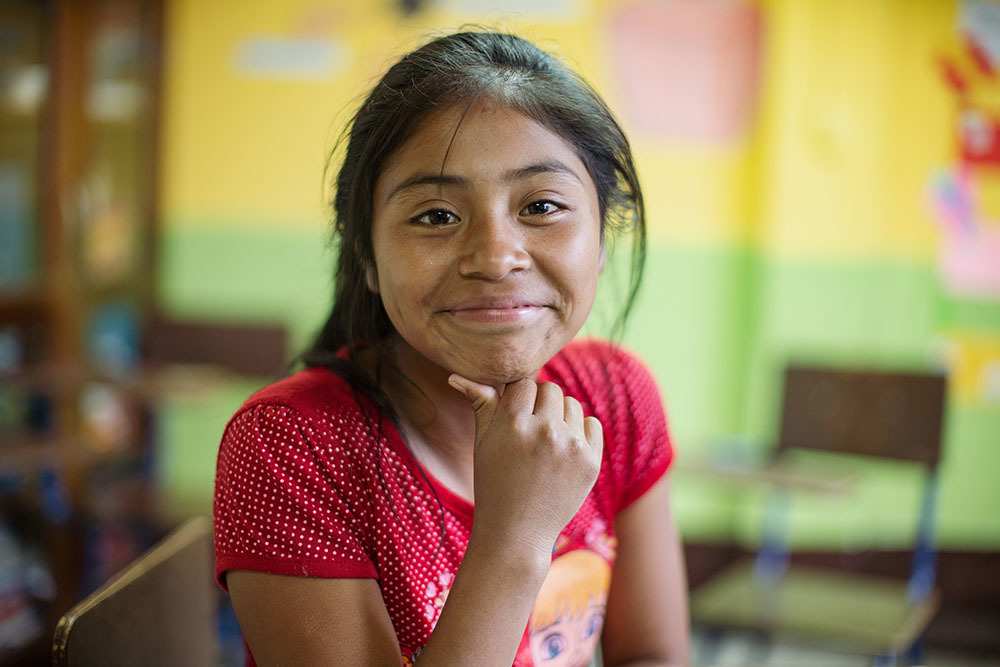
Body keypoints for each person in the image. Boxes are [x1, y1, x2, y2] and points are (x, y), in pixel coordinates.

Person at [213, 30, 690, 666]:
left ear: (601, 240)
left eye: (542, 205)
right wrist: (515, 535)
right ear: (368, 257)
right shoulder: (290, 447)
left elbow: (653, 654)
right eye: (436, 215)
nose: (496, 258)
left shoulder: (616, 398)